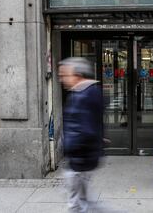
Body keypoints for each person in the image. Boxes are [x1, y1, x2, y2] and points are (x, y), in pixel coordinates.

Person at [58, 57, 104, 213]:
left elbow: (85, 130)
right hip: (84, 158)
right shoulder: (87, 92)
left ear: (77, 75)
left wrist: (70, 150)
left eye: (65, 75)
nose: (61, 79)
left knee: (76, 204)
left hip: (79, 160)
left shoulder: (83, 95)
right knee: (81, 201)